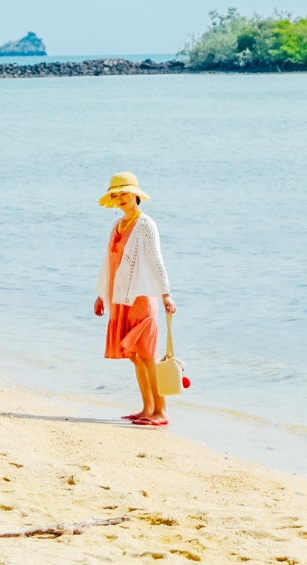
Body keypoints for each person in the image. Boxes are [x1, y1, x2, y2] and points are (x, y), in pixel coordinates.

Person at [93, 171, 176, 426]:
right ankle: (147, 408)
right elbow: (109, 263)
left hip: (141, 296)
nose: (119, 198)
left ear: (135, 195)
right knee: (134, 356)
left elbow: (156, 259)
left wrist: (166, 294)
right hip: (120, 298)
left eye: (124, 193)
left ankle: (161, 412)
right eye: (115, 195)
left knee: (147, 355)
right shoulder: (117, 225)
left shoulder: (145, 224)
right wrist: (101, 296)